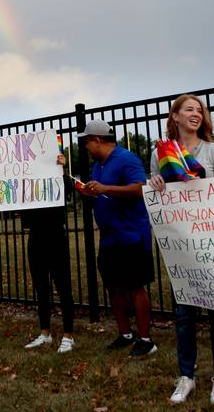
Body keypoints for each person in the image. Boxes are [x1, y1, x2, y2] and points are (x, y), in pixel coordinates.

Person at [147, 94, 214, 405]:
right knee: (184, 314)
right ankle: (186, 376)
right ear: (175, 116)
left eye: (199, 110)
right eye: (189, 109)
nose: (196, 114)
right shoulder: (161, 152)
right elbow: (156, 193)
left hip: (212, 243)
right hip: (182, 247)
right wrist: (155, 180)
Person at [77, 119, 157, 358]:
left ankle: (145, 340)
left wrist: (105, 188)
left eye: (87, 142)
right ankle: (126, 334)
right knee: (114, 286)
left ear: (98, 140)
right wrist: (89, 190)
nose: (86, 147)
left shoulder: (127, 159)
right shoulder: (98, 165)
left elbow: (140, 188)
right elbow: (101, 191)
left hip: (132, 235)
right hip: (109, 237)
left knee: (135, 287)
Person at [0, 153, 76, 354]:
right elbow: (3, 192)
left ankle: (68, 335)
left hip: (56, 235)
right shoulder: (24, 181)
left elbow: (69, 190)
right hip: (35, 237)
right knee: (41, 288)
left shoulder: (57, 175)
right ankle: (45, 333)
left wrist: (63, 169)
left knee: (63, 286)